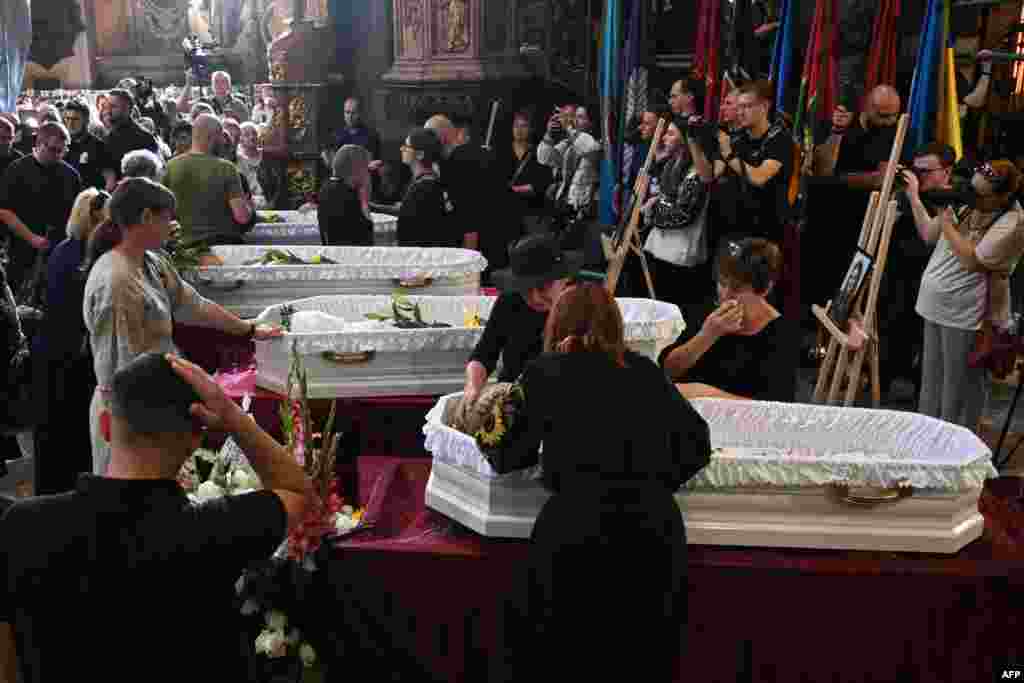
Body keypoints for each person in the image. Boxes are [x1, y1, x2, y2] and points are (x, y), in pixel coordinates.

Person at [0, 352, 311, 682]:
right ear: (195, 440)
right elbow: (298, 491)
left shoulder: (24, 526)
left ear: (106, 426)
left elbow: (5, 663)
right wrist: (233, 416)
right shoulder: (215, 530)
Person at [491, 281, 711, 683]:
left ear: (556, 325)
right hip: (651, 531)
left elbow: (504, 452)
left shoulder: (543, 371)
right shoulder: (644, 370)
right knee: (642, 657)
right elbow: (697, 445)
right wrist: (648, 482)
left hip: (576, 530)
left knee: (569, 657)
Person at [82, 178, 281, 475]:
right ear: (146, 217)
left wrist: (248, 329)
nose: (172, 225)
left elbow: (194, 305)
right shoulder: (116, 279)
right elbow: (120, 367)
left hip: (154, 401)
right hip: (126, 413)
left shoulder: (151, 261)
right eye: (167, 218)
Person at [914, 160, 1024, 429]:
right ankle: (922, 447)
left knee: (957, 389)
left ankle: (952, 455)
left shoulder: (1014, 222)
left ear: (1001, 196)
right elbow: (929, 234)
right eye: (970, 190)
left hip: (968, 312)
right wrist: (918, 198)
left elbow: (973, 261)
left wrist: (949, 225)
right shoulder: (967, 201)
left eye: (979, 195)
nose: (972, 198)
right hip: (935, 302)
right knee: (931, 383)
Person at [31, 188, 108, 495]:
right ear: (92, 218)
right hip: (66, 358)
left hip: (58, 354)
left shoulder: (67, 250)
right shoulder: (80, 256)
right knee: (66, 433)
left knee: (58, 434)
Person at [660, 238, 796, 402]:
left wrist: (703, 393)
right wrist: (707, 335)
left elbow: (776, 407)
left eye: (736, 288)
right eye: (722, 283)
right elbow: (667, 372)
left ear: (764, 290)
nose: (725, 295)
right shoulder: (708, 309)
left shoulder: (781, 333)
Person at [463, 233, 582, 402]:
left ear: (564, 279)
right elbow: (484, 354)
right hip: (510, 399)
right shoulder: (510, 301)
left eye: (543, 287)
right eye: (525, 288)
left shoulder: (581, 307)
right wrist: (473, 387)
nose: (534, 297)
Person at [642, 114, 718, 323]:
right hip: (659, 248)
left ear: (685, 140)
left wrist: (653, 208)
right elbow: (666, 198)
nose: (664, 137)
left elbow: (683, 214)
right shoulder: (671, 164)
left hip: (680, 255)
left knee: (671, 316)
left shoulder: (697, 172)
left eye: (671, 133)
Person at [0, 121, 81, 290]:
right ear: (38, 144)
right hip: (22, 249)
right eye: (53, 150)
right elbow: (4, 211)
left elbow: (76, 213)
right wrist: (32, 238)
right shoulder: (16, 170)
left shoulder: (71, 175)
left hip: (58, 250)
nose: (59, 155)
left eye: (63, 150)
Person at [715, 79, 792, 244]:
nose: (741, 112)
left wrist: (729, 155)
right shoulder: (737, 138)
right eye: (739, 107)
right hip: (733, 228)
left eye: (747, 106)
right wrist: (697, 144)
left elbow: (759, 177)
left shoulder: (780, 139)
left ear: (765, 107)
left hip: (765, 234)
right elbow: (712, 175)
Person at [163, 114, 253, 246]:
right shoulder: (226, 168)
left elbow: (162, 214)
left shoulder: (170, 167)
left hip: (184, 248)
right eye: (221, 135)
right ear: (212, 137)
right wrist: (250, 207)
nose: (223, 141)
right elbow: (242, 217)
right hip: (223, 247)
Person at [424, 114, 481, 250]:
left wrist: (468, 258)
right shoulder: (447, 161)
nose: (425, 142)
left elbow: (469, 217)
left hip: (470, 246)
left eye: (428, 136)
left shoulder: (461, 163)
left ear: (442, 137)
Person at [499, 109, 550, 255]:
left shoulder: (538, 152)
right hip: (508, 211)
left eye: (524, 126)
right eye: (516, 126)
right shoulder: (502, 152)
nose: (519, 130)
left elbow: (540, 184)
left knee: (531, 251)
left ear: (531, 128)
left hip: (531, 212)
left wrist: (513, 190)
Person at [537, 104, 601, 215]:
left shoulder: (598, 143)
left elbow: (588, 148)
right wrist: (548, 135)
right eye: (575, 116)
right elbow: (545, 159)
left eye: (581, 117)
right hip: (565, 205)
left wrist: (568, 128)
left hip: (586, 207)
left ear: (592, 122)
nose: (575, 120)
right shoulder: (569, 143)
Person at [396, 128, 456, 248]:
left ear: (420, 154)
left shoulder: (423, 188)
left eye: (407, 146)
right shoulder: (429, 181)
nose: (401, 149)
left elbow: (410, 232)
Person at [102, 89, 159, 191]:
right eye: (106, 106)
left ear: (128, 109)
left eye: (113, 107)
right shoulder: (108, 136)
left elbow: (151, 176)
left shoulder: (144, 138)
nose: (108, 111)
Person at [318, 145, 374, 246]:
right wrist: (364, 198)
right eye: (365, 168)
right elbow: (365, 236)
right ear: (357, 169)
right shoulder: (346, 195)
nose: (368, 173)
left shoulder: (328, 186)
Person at [60, 99, 114, 191]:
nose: (70, 123)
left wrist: (102, 197)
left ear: (86, 120)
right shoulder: (60, 145)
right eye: (67, 118)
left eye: (75, 119)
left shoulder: (98, 146)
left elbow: (110, 177)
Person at [177, 69, 250, 122]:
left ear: (228, 85)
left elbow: (246, 123)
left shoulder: (238, 104)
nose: (219, 84)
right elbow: (181, 107)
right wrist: (188, 84)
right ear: (212, 86)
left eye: (223, 81)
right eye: (216, 81)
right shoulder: (204, 102)